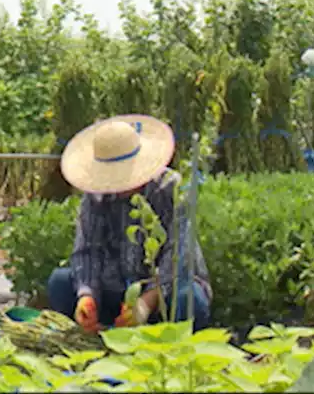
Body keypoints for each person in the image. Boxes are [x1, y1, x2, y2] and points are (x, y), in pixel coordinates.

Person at [45, 114, 213, 333]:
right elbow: (87, 251)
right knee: (60, 283)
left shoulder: (169, 189)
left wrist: (145, 303)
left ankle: (167, 343)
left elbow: (178, 256)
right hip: (116, 292)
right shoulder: (95, 196)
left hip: (165, 295)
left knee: (190, 299)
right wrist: (87, 296)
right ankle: (97, 333)